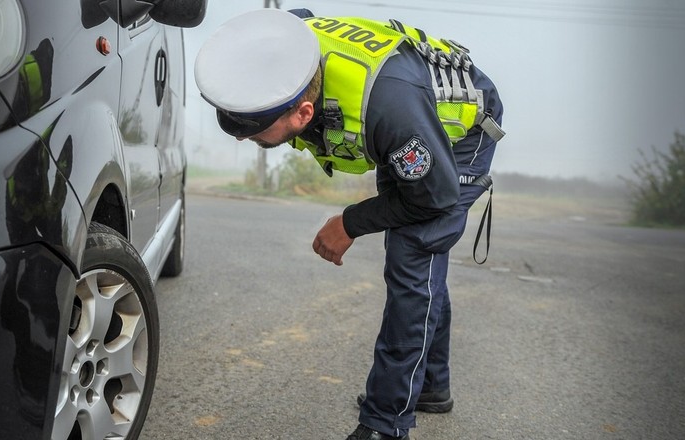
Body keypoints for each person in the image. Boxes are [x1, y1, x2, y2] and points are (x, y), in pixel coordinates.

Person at [194, 8, 504, 440]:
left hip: (463, 128)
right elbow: (293, 19)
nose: (244, 140)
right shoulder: (294, 50)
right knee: (418, 256)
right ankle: (431, 384)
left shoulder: (388, 112)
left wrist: (350, 222)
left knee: (413, 254)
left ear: (303, 113)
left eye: (255, 132)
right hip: (411, 112)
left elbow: (434, 196)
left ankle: (385, 424)